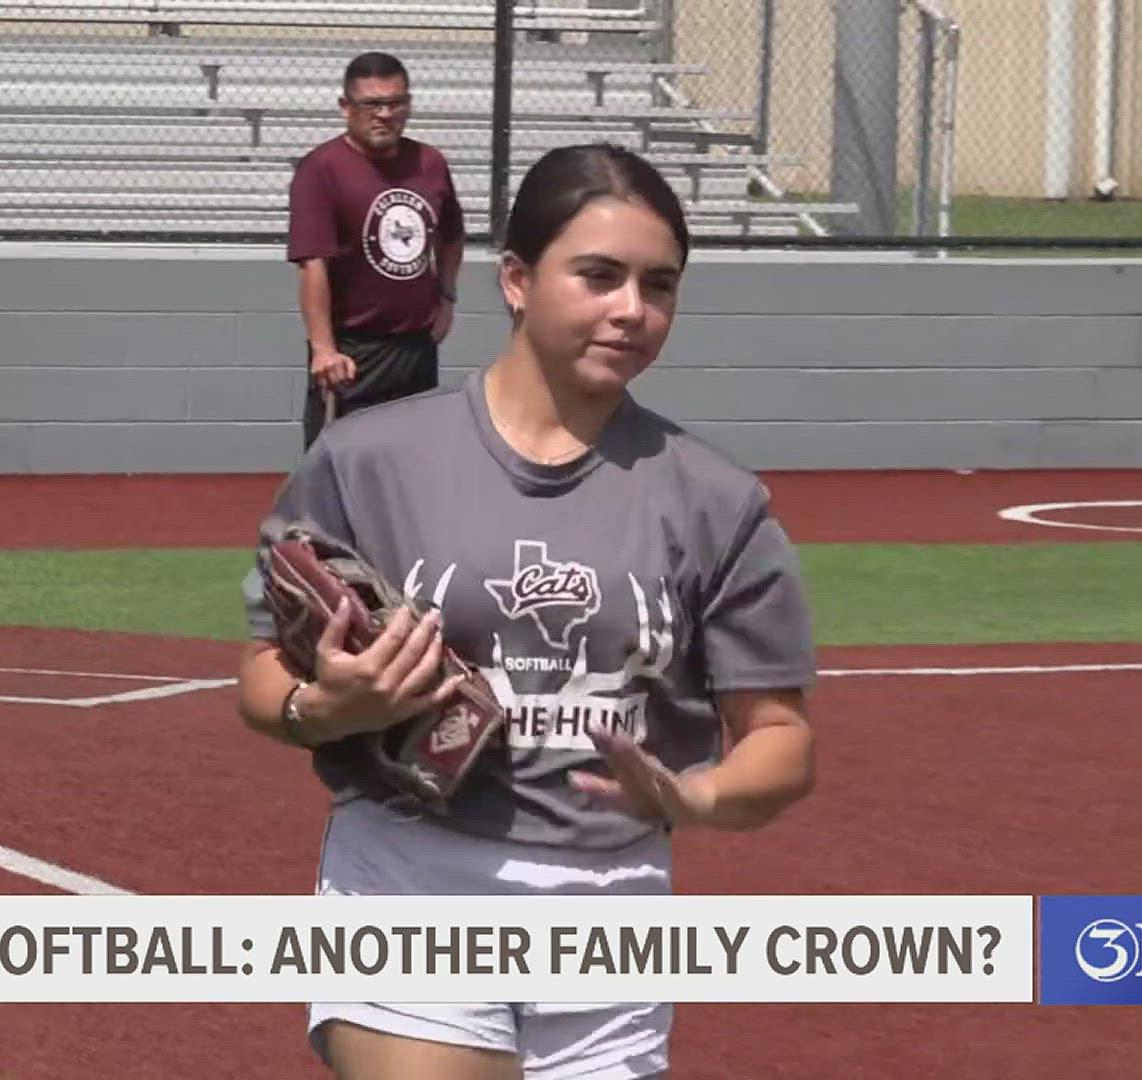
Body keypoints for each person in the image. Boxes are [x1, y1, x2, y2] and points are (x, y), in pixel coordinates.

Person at [239, 143, 817, 1080]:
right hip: (414, 871)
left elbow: (780, 736)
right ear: (515, 279)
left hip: (616, 900)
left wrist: (696, 796)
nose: (632, 310)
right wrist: (328, 709)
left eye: (659, 285)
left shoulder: (719, 502)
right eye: (598, 276)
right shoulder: (370, 462)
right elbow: (265, 671)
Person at [287, 51, 467, 451]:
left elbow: (451, 236)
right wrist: (323, 349)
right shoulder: (321, 170)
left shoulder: (430, 163)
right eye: (371, 104)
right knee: (337, 472)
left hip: (416, 349)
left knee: (413, 469)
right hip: (352, 355)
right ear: (345, 108)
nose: (384, 114)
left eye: (395, 102)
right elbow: (312, 263)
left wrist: (447, 297)